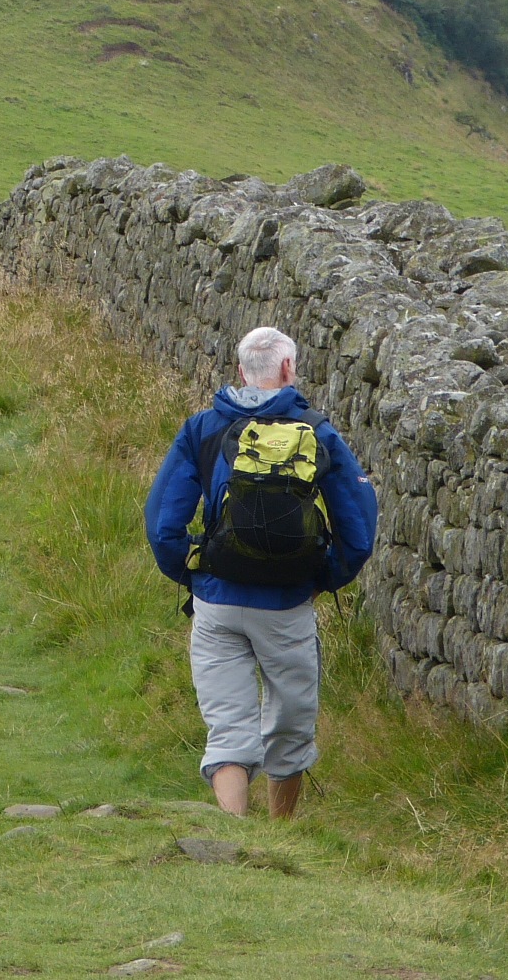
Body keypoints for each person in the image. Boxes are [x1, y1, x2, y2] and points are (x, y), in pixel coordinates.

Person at [143, 326, 377, 820]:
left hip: (217, 603)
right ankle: (279, 832)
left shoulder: (203, 429)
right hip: (288, 604)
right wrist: (321, 577)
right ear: (288, 370)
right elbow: (358, 529)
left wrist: (196, 574)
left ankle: (235, 831)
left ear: (239, 370)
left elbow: (163, 524)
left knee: (228, 723)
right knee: (290, 722)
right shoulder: (318, 432)